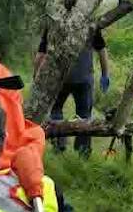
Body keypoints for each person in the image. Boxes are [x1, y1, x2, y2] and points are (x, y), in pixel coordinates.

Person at [35, 26, 110, 156]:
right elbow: (102, 50)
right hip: (84, 78)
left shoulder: (56, 23)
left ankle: (59, 146)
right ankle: (82, 152)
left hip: (59, 77)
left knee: (56, 111)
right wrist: (105, 74)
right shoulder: (90, 24)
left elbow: (41, 53)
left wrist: (37, 76)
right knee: (84, 116)